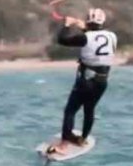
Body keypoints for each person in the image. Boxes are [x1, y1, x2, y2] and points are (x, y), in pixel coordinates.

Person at [50, 8, 117, 154]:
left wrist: (67, 25)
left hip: (86, 81)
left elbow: (63, 40)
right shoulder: (112, 36)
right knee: (89, 109)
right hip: (102, 82)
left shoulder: (85, 38)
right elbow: (96, 39)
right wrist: (85, 28)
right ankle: (82, 138)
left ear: (88, 20)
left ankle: (63, 145)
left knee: (70, 111)